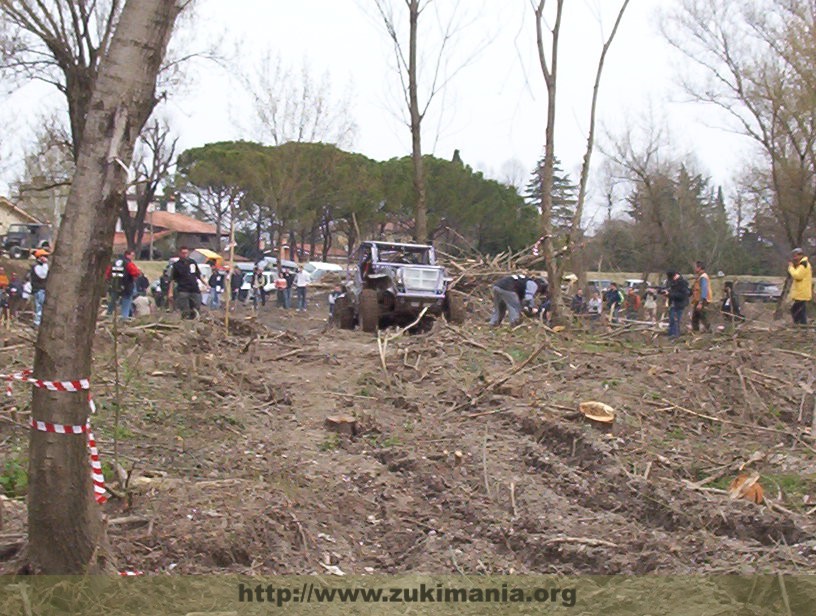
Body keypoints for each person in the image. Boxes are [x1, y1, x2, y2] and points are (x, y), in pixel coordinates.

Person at [167, 246, 205, 319]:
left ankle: (194, 320)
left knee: (197, 306)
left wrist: (205, 284)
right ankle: (186, 321)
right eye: (183, 253)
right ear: (180, 253)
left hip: (194, 289)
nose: (185, 255)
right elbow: (172, 279)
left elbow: (198, 275)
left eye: (186, 253)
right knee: (185, 310)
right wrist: (170, 292)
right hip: (183, 290)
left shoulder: (192, 262)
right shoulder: (176, 265)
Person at [106, 249, 141, 318]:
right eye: (132, 255)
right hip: (126, 286)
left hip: (114, 285)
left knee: (112, 301)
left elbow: (107, 273)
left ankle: (108, 315)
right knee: (126, 301)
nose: (133, 257)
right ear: (127, 255)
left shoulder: (113, 262)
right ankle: (124, 318)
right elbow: (136, 272)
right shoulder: (128, 263)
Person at [788, 248, 812, 325]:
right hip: (801, 292)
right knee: (797, 311)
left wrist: (791, 267)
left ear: (801, 255)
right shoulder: (802, 265)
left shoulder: (803, 264)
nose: (794, 258)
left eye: (795, 256)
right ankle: (800, 326)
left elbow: (797, 276)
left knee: (797, 311)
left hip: (801, 292)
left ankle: (801, 327)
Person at [665, 270, 690, 339]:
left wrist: (670, 294)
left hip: (679, 304)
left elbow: (682, 295)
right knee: (672, 320)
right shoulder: (673, 283)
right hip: (673, 304)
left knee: (675, 320)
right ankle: (671, 334)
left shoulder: (682, 283)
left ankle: (675, 335)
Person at [690, 261, 712, 333]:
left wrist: (701, 302)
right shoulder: (700, 277)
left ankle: (708, 330)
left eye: (695, 267)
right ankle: (695, 331)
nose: (694, 269)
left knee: (702, 316)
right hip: (698, 300)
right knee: (695, 317)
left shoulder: (703, 277)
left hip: (702, 300)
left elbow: (704, 290)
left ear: (699, 268)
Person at [30, 250, 49, 327]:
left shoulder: (40, 266)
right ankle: (37, 323)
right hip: (39, 290)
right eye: (44, 256)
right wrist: (45, 264)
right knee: (40, 307)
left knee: (40, 306)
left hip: (40, 290)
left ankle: (38, 322)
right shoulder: (37, 266)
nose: (46, 258)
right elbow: (43, 275)